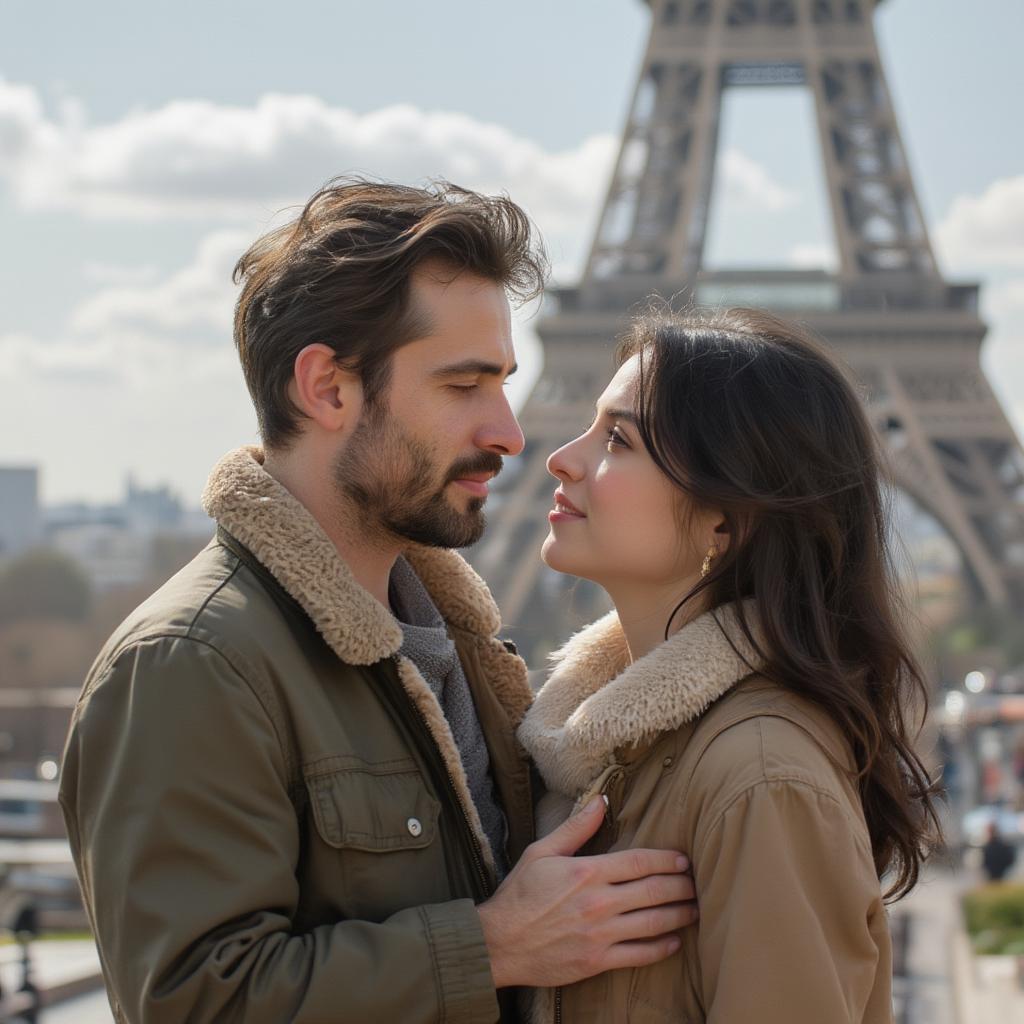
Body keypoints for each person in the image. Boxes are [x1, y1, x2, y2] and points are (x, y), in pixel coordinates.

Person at [58, 180, 698, 1024]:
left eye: (505, 383)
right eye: (464, 386)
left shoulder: (455, 647)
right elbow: (190, 1006)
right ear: (327, 388)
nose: (510, 432)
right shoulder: (189, 664)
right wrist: (494, 946)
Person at [517, 308, 942, 1023]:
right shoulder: (610, 750)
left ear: (725, 519)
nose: (563, 457)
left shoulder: (762, 775)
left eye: (617, 439)